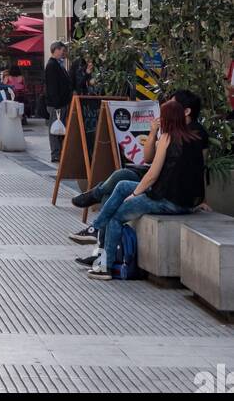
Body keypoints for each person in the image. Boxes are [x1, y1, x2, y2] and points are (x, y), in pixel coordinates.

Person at [85, 97, 209, 279]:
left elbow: (152, 175)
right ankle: (95, 227)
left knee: (116, 216)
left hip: (167, 200)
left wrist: (135, 194)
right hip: (186, 202)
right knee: (121, 185)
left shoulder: (168, 138)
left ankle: (105, 267)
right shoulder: (194, 138)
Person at [71, 90, 207, 220]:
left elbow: (198, 167)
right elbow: (148, 157)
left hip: (165, 188)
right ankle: (98, 210)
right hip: (155, 179)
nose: (165, 110)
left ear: (186, 111)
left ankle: (98, 220)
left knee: (118, 189)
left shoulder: (195, 134)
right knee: (121, 176)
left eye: (173, 106)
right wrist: (153, 132)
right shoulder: (170, 128)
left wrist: (201, 199)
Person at [44, 41, 73, 162]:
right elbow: (52, 86)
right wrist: (56, 104)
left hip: (61, 103)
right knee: (55, 128)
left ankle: (59, 152)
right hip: (56, 104)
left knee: (60, 128)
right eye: (62, 50)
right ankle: (55, 153)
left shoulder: (58, 64)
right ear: (56, 50)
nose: (64, 53)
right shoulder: (52, 65)